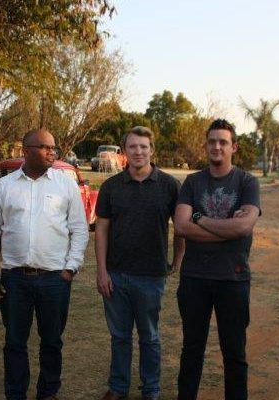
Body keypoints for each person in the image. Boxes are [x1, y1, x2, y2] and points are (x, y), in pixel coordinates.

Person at [0, 128, 89, 400]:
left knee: (52, 341)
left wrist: (71, 267)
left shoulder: (65, 184)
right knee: (14, 342)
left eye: (54, 147)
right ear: (26, 150)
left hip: (55, 279)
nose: (53, 152)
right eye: (46, 147)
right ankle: (16, 393)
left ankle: (48, 392)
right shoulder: (5, 186)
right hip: (14, 279)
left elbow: (79, 228)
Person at [95, 126, 185, 400]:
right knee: (119, 336)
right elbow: (101, 230)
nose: (138, 151)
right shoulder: (111, 187)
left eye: (144, 146)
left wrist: (177, 259)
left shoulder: (169, 185)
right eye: (132, 147)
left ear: (152, 150)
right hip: (116, 275)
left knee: (150, 337)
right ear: (124, 152)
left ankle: (151, 389)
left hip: (151, 275)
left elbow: (181, 227)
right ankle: (118, 387)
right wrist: (102, 272)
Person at [173, 119, 261, 400]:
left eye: (223, 142)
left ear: (234, 147)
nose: (217, 146)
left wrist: (200, 218)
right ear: (206, 145)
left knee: (234, 353)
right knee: (192, 350)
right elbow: (182, 227)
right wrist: (227, 230)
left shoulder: (247, 182)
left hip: (233, 278)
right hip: (194, 278)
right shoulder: (192, 182)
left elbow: (243, 227)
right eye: (212, 141)